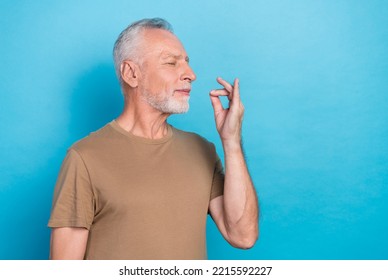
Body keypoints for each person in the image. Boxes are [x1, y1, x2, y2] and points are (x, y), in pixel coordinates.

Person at [48, 18, 258, 260]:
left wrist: (231, 141)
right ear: (131, 73)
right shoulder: (84, 159)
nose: (191, 74)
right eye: (171, 63)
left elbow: (243, 236)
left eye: (187, 63)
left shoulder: (202, 150)